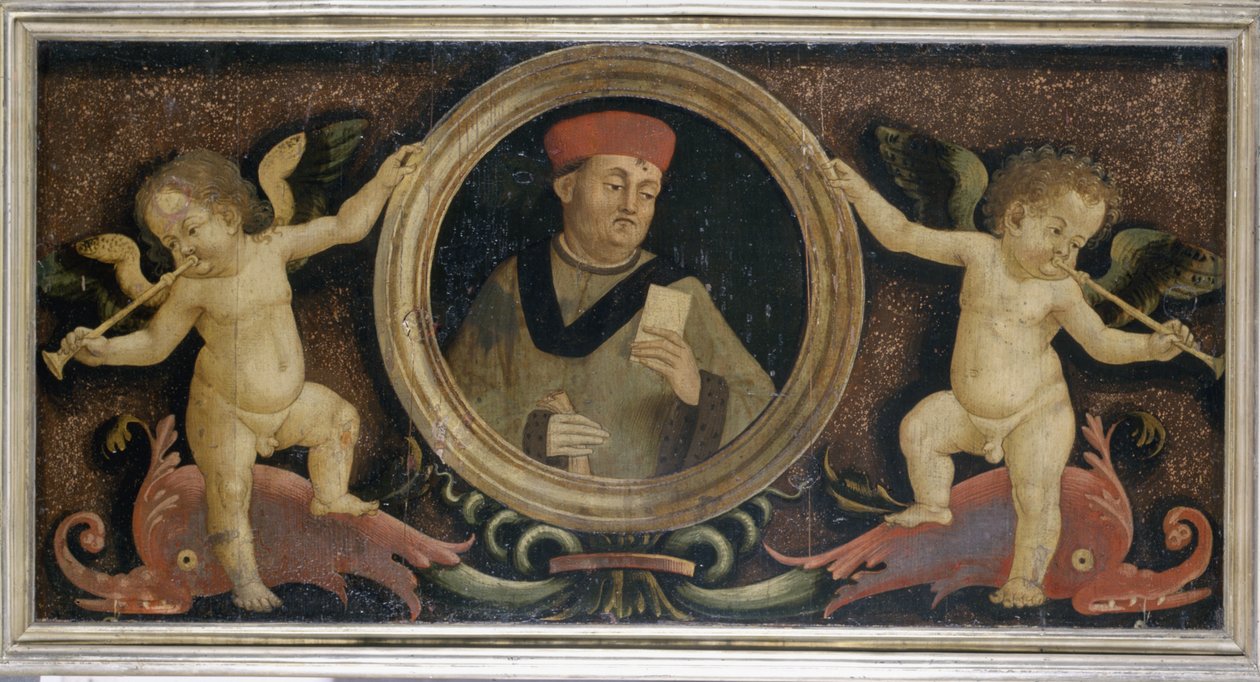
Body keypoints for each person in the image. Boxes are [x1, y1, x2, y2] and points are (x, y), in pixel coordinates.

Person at [826, 146, 1195, 608]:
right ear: (1017, 217)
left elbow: (1100, 342)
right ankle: (934, 504)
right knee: (919, 429)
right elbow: (900, 235)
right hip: (970, 411)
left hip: (1035, 413)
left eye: (1077, 242)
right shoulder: (979, 253)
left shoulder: (1060, 290)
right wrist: (860, 193)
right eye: (1056, 231)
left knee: (1036, 498)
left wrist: (1151, 347)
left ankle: (1026, 578)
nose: (1065, 250)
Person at [59, 143, 421, 612]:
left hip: (287, 406)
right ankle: (245, 580)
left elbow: (345, 227)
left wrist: (384, 181)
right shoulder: (192, 288)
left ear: (229, 216)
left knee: (340, 420)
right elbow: (154, 344)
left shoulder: (273, 247)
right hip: (226, 411)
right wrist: (104, 352)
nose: (183, 249)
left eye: (191, 230)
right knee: (230, 494)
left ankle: (329, 494)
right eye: (171, 243)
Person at [445, 111, 775, 479]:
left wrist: (699, 389)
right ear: (567, 188)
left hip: (644, 504)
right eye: (615, 186)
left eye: (646, 193)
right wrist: (531, 434)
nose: (631, 205)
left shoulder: (674, 292)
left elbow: (761, 407)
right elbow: (456, 401)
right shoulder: (513, 280)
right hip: (533, 496)